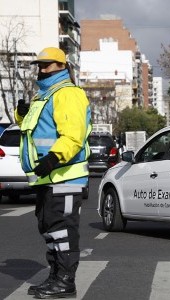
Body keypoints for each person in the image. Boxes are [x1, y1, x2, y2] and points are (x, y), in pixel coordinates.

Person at [15, 47, 91, 299]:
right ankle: (56, 277)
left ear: (62, 66)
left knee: (63, 230)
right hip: (49, 179)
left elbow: (73, 135)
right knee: (51, 229)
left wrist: (54, 157)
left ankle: (66, 282)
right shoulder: (43, 95)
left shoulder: (67, 94)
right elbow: (35, 130)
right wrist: (20, 114)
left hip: (65, 176)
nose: (42, 69)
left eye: (48, 64)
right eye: (40, 64)